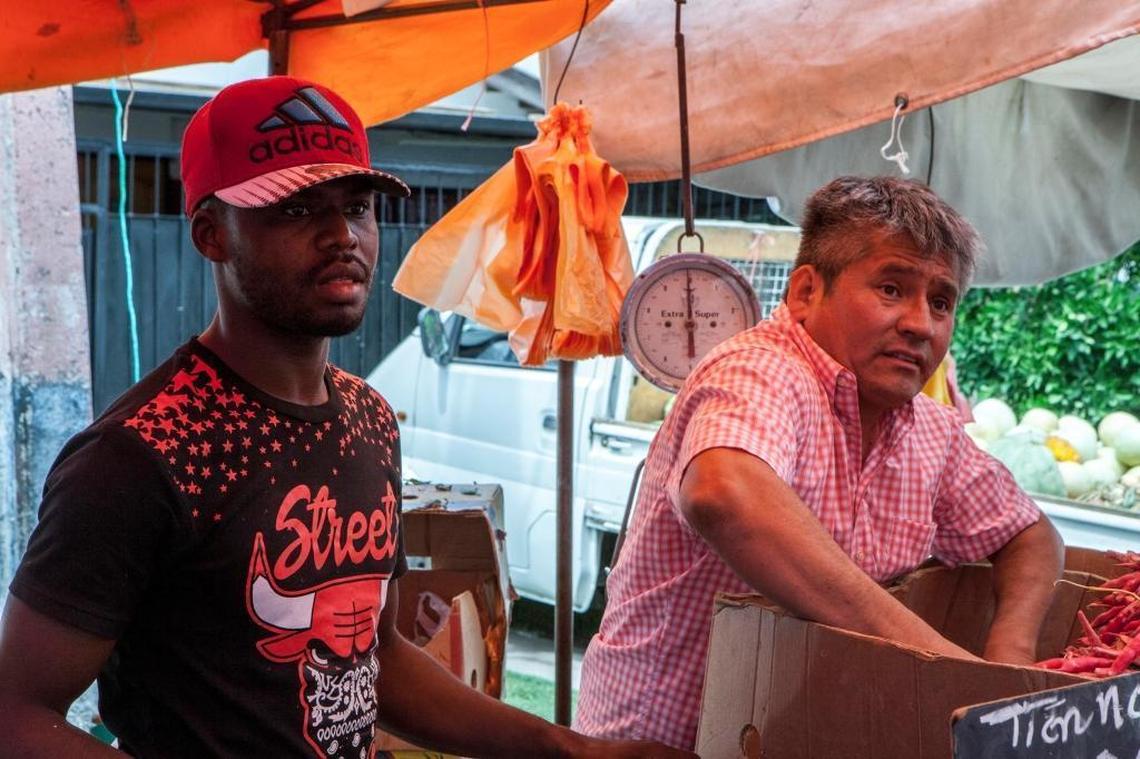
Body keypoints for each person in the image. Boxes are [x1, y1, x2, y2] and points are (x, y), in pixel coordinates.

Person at [0, 76, 693, 759]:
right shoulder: (141, 455)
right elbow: (17, 715)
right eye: (298, 210)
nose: (342, 236)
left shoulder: (369, 419)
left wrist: (567, 748)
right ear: (212, 234)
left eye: (357, 206)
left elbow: (375, 656)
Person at [573, 176, 1064, 750]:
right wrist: (943, 669)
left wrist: (1007, 662)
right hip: (661, 746)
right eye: (890, 287)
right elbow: (722, 491)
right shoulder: (760, 369)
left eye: (941, 301)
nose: (920, 323)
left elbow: (1029, 535)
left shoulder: (929, 430)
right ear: (806, 291)